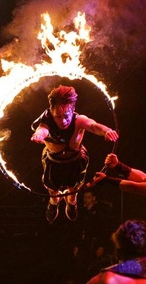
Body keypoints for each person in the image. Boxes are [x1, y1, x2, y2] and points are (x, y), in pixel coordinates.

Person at [31, 85, 118, 223]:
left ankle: (71, 202)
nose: (63, 120)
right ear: (51, 111)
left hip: (76, 160)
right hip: (53, 161)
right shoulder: (45, 121)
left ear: (73, 110)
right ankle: (54, 202)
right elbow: (42, 129)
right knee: (53, 191)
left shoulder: (79, 120)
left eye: (66, 116)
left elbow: (94, 126)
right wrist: (38, 135)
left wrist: (106, 131)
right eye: (58, 116)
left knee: (73, 190)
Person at [70, 188, 112, 284]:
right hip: (83, 244)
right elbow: (79, 229)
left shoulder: (98, 213)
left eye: (88, 197)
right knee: (80, 269)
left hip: (93, 245)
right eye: (85, 197)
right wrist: (77, 245)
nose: (86, 200)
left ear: (94, 198)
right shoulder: (83, 212)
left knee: (90, 269)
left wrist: (101, 246)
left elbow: (103, 230)